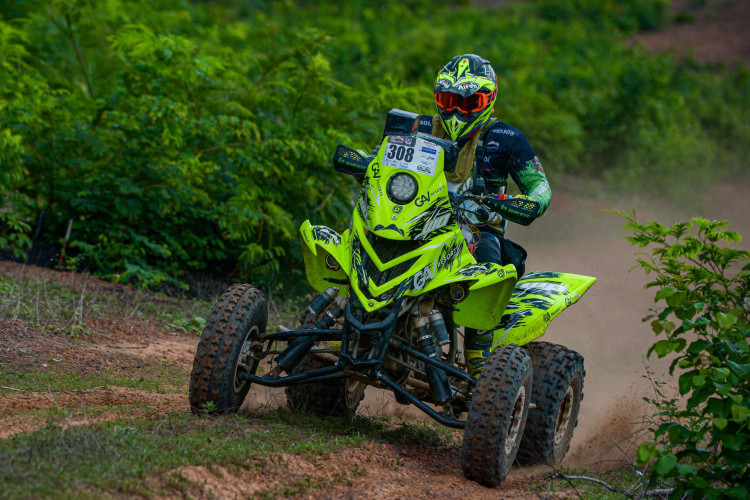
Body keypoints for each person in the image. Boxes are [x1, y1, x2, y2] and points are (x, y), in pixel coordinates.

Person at [430, 54, 552, 378]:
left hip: (479, 228)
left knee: (486, 274)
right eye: (449, 100)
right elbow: (383, 158)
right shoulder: (422, 130)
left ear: (489, 99)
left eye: (469, 102)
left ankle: (479, 366)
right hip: (420, 220)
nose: (457, 110)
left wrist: (524, 202)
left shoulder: (507, 139)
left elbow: (540, 186)